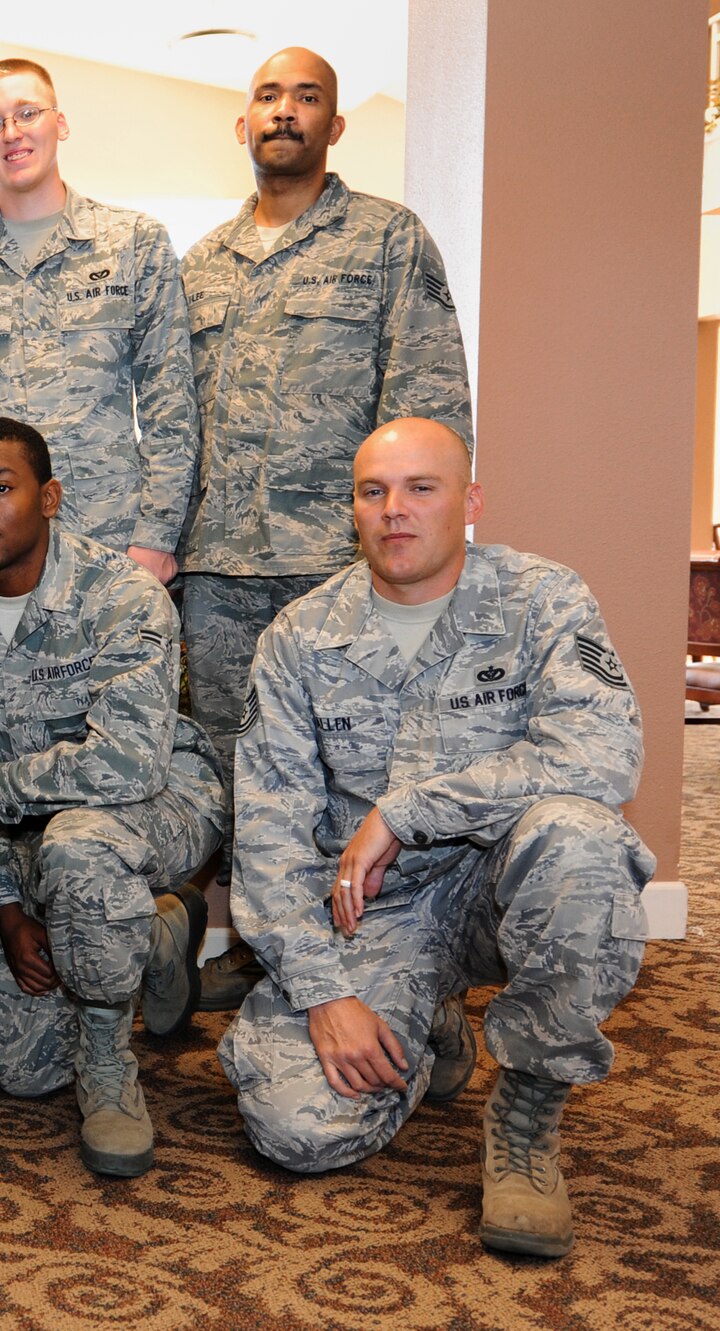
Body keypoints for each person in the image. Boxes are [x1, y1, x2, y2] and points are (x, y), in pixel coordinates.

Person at [219, 418, 650, 1258]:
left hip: (507, 887)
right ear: (353, 509)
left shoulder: (542, 599)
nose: (395, 509)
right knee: (296, 1127)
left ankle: (526, 1114)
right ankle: (426, 1024)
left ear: (470, 501)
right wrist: (323, 993)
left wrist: (409, 809)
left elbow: (602, 754)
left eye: (421, 487)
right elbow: (269, 837)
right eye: (373, 491)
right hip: (376, 913)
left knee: (582, 840)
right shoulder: (300, 638)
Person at [177, 49, 473, 1009]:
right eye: (269, 96)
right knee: (245, 775)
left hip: (340, 568)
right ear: (244, 123)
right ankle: (265, 945)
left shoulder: (389, 241)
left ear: (334, 126)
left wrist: (405, 547)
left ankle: (395, 961)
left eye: (307, 98)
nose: (285, 112)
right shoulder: (201, 265)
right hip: (220, 572)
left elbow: (429, 408)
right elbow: (175, 424)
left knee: (364, 770)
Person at [0, 418, 223, 1177]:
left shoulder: (123, 596)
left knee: (80, 847)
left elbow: (126, 765)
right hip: (35, 836)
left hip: (160, 804)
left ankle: (109, 1065)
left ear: (49, 497)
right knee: (24, 1073)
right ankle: (156, 933)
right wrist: (9, 916)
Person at [0, 58, 197, 584]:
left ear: (60, 123)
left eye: (27, 113)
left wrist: (157, 536)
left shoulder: (134, 244)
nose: (11, 133)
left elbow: (170, 400)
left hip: (110, 544)